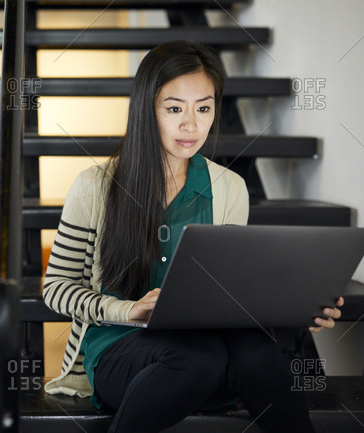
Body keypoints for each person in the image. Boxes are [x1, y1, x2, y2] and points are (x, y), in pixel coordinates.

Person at [42, 40, 344, 433]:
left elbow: (234, 290)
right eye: (174, 108)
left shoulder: (229, 187)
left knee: (257, 355)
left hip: (207, 354)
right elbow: (56, 288)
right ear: (146, 109)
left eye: (204, 107)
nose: (192, 124)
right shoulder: (95, 187)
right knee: (198, 357)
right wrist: (126, 310)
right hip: (122, 352)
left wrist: (297, 309)